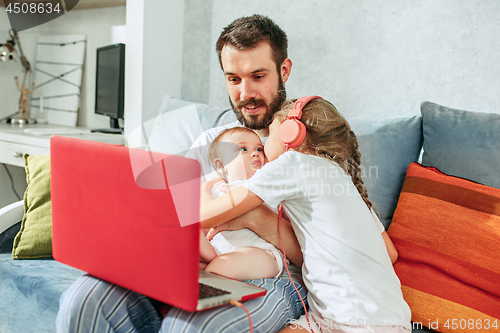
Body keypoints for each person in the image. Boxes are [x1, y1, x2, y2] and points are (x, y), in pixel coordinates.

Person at [56, 15, 307, 333]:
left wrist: (254, 218)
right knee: (84, 300)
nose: (245, 93)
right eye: (233, 79)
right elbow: (173, 217)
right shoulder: (213, 142)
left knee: (191, 326)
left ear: (283, 70)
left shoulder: (308, 145)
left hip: (277, 277)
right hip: (193, 268)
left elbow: (329, 251)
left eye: (257, 76)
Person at [199, 97, 411, 333]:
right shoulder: (342, 181)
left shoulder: (292, 163)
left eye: (269, 134)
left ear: (290, 132)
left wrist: (206, 188)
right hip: (367, 317)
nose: (263, 148)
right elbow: (390, 254)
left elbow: (203, 216)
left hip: (354, 319)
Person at [199, 127, 288, 280]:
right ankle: (207, 262)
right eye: (243, 149)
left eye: (259, 149)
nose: (255, 153)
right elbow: (202, 218)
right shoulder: (216, 187)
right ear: (221, 166)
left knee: (222, 267)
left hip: (261, 252)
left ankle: (210, 272)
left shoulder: (266, 182)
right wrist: (206, 188)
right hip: (217, 251)